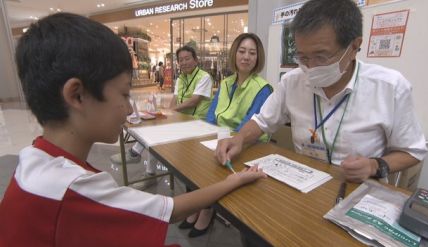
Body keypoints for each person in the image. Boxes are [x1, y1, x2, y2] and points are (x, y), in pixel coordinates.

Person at [0, 13, 266, 247]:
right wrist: (232, 181)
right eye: (124, 93)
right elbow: (167, 210)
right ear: (77, 95)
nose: (129, 110)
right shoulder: (76, 190)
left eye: (251, 52)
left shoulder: (32, 160)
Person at [216, 0, 428, 184]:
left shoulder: (389, 87)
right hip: (303, 181)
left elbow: (413, 151)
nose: (310, 67)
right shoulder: (292, 82)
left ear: (354, 47)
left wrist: (375, 165)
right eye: (303, 57)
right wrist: (240, 139)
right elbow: (263, 121)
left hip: (355, 188)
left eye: (321, 57)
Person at [180, 33, 273, 238]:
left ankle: (206, 209)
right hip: (221, 138)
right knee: (193, 160)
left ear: (258, 58)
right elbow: (212, 117)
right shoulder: (224, 83)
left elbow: (250, 124)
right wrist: (208, 138)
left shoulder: (263, 88)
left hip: (250, 145)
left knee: (216, 165)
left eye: (252, 53)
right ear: (234, 54)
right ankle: (197, 203)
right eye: (242, 51)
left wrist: (226, 141)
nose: (246, 57)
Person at [110, 46, 213, 176]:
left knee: (158, 132)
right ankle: (145, 166)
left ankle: (138, 158)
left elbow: (194, 101)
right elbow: (175, 99)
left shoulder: (204, 77)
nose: (184, 62)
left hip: (197, 122)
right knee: (157, 124)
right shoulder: (181, 78)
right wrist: (167, 113)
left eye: (187, 59)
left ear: (196, 60)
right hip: (182, 119)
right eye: (181, 60)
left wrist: (169, 111)